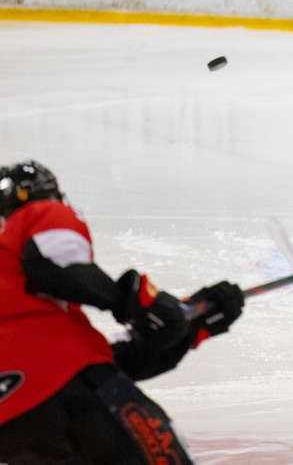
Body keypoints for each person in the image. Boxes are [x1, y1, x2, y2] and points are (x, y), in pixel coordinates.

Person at [0, 160, 245, 464]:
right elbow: (53, 268)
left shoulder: (22, 301)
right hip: (72, 393)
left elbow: (110, 361)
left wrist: (188, 325)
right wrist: (133, 301)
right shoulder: (37, 215)